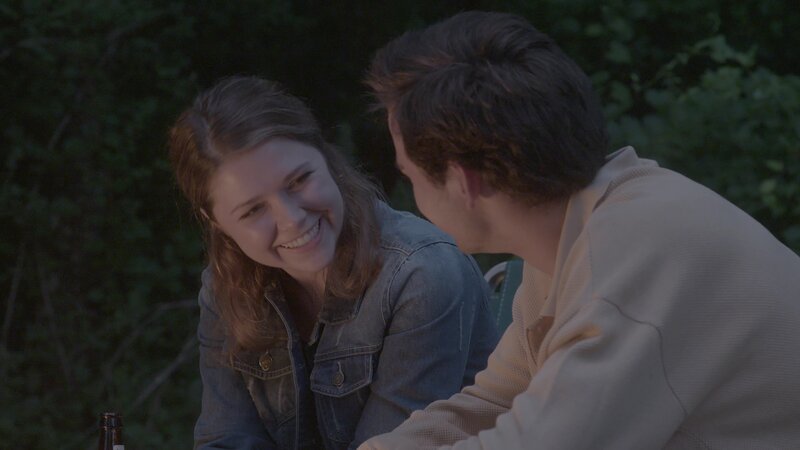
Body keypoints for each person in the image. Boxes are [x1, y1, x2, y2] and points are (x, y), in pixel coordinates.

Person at [360, 11, 800, 450]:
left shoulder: (634, 254)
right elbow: (497, 401)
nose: (411, 192)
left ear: (464, 181)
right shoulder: (579, 234)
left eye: (410, 175)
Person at [167, 75, 498, 450]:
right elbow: (226, 440)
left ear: (325, 157)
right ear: (215, 222)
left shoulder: (420, 273)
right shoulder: (224, 285)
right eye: (254, 209)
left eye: (299, 181)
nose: (292, 219)